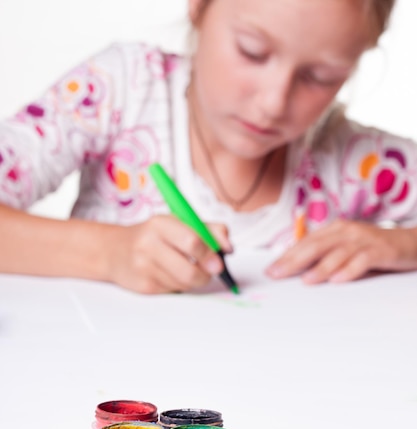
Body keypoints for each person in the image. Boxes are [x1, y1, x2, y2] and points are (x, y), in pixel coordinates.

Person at [1, 0, 416, 294]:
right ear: (198, 5)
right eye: (252, 52)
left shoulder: (358, 161)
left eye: (320, 77)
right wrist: (108, 253)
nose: (273, 102)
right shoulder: (122, 90)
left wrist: (401, 246)